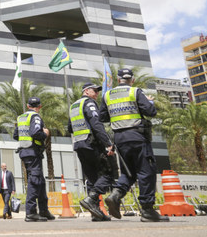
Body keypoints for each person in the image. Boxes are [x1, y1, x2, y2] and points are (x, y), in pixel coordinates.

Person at [98, 68, 169, 222]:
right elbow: (151, 111)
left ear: (118, 80)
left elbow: (102, 117)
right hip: (137, 137)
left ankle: (115, 195)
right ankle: (148, 211)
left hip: (120, 139)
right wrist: (149, 101)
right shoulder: (135, 91)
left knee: (128, 172)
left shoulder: (107, 95)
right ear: (132, 79)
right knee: (146, 171)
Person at [68, 83, 115, 222]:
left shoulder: (73, 106)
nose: (97, 93)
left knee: (93, 178)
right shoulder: (89, 103)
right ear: (86, 91)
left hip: (79, 145)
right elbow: (96, 124)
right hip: (91, 143)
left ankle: (96, 213)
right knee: (108, 172)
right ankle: (91, 199)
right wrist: (108, 143)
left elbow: (70, 128)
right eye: (95, 91)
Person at [13, 97, 54, 222]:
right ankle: (30, 212)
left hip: (24, 152)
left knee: (40, 181)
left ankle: (43, 210)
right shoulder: (35, 117)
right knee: (34, 180)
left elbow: (16, 135)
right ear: (39, 107)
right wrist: (45, 133)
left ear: (27, 105)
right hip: (33, 152)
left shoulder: (21, 118)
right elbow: (36, 133)